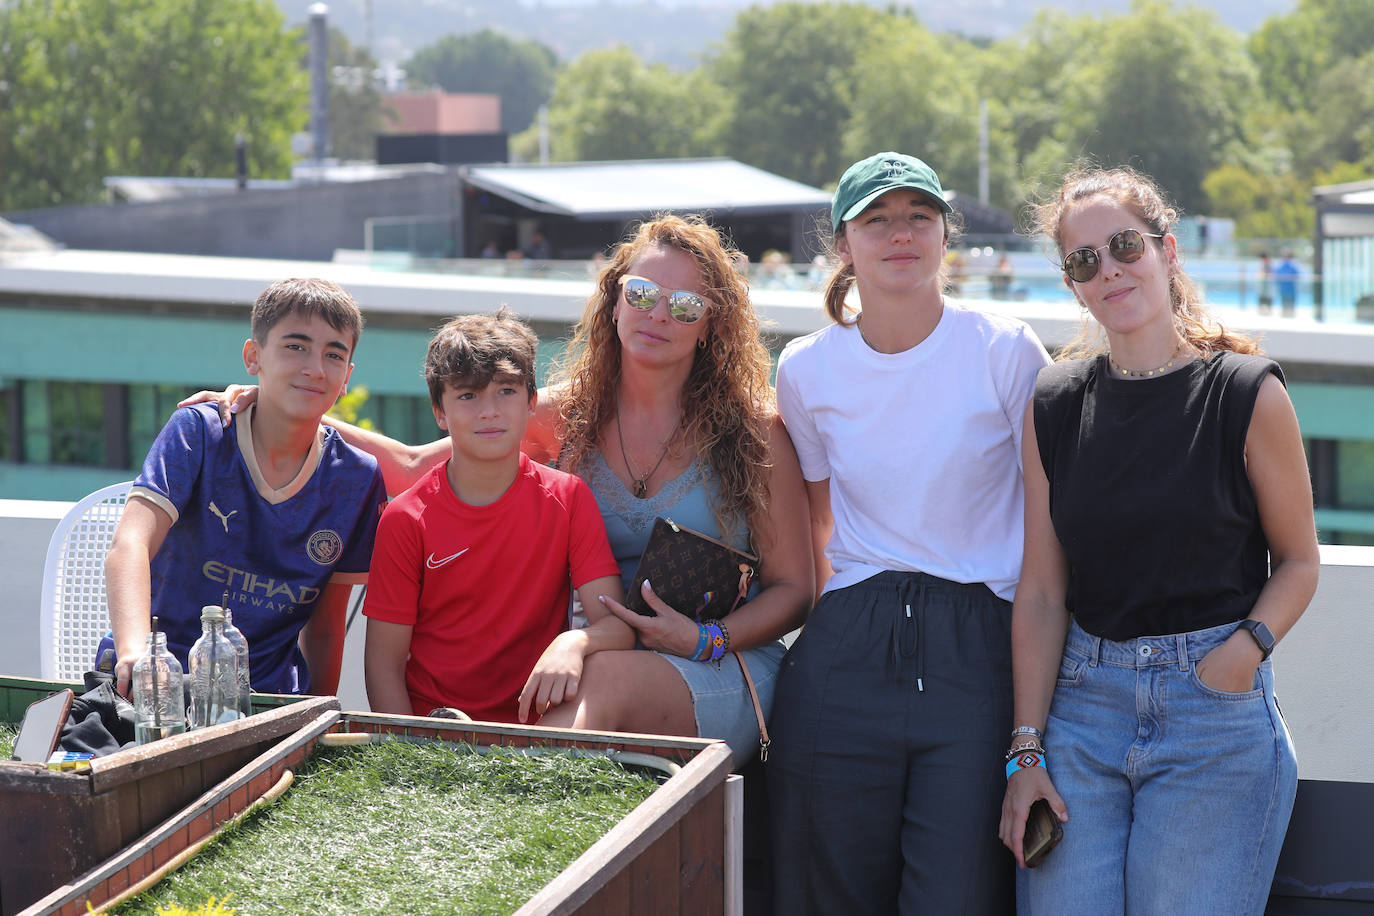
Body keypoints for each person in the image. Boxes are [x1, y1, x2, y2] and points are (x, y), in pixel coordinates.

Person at [187, 215, 813, 767]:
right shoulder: (568, 414)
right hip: (598, 652)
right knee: (580, 684)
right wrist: (285, 405)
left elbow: (795, 591)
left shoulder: (755, 432)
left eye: (685, 306)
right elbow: (411, 467)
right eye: (643, 293)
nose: (658, 314)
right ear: (614, 303)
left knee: (600, 682)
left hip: (719, 664)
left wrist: (707, 638)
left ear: (710, 326)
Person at [998, 166, 1318, 914]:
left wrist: (1240, 658)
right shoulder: (1052, 403)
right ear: (1073, 285)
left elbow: (1299, 562)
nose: (1109, 269)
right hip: (1080, 716)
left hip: (1214, 722)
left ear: (1167, 251)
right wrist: (1026, 751)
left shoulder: (1246, 393)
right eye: (1084, 261)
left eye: (1124, 246)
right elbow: (1043, 592)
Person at [769, 152, 1051, 913]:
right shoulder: (805, 370)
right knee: (829, 889)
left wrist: (1028, 725)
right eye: (877, 220)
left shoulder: (1005, 349)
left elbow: (1047, 532)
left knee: (957, 894)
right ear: (842, 244)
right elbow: (821, 519)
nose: (901, 235)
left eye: (918, 218)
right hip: (846, 650)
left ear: (944, 234)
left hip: (977, 648)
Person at [104, 278, 387, 699]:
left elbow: (325, 627)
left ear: (346, 377)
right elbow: (130, 544)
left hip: (266, 702)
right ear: (253, 357)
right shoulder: (199, 431)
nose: (315, 367)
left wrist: (315, 715)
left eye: (334, 354)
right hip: (154, 689)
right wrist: (135, 654)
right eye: (296, 346)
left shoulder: (357, 478)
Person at [362, 311, 623, 723]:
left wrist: (575, 642)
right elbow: (383, 666)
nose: (489, 411)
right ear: (439, 413)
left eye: (505, 391)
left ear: (531, 402)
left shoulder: (569, 498)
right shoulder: (405, 518)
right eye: (467, 395)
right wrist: (407, 755)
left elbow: (618, 628)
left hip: (539, 734)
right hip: (433, 733)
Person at [1275, 250, 1300, 317]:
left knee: (1291, 304)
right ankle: (1285, 315)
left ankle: (1290, 315)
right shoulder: (1281, 266)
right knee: (1284, 303)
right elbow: (1276, 276)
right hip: (1283, 288)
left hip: (1291, 289)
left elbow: (1297, 276)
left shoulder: (1293, 266)